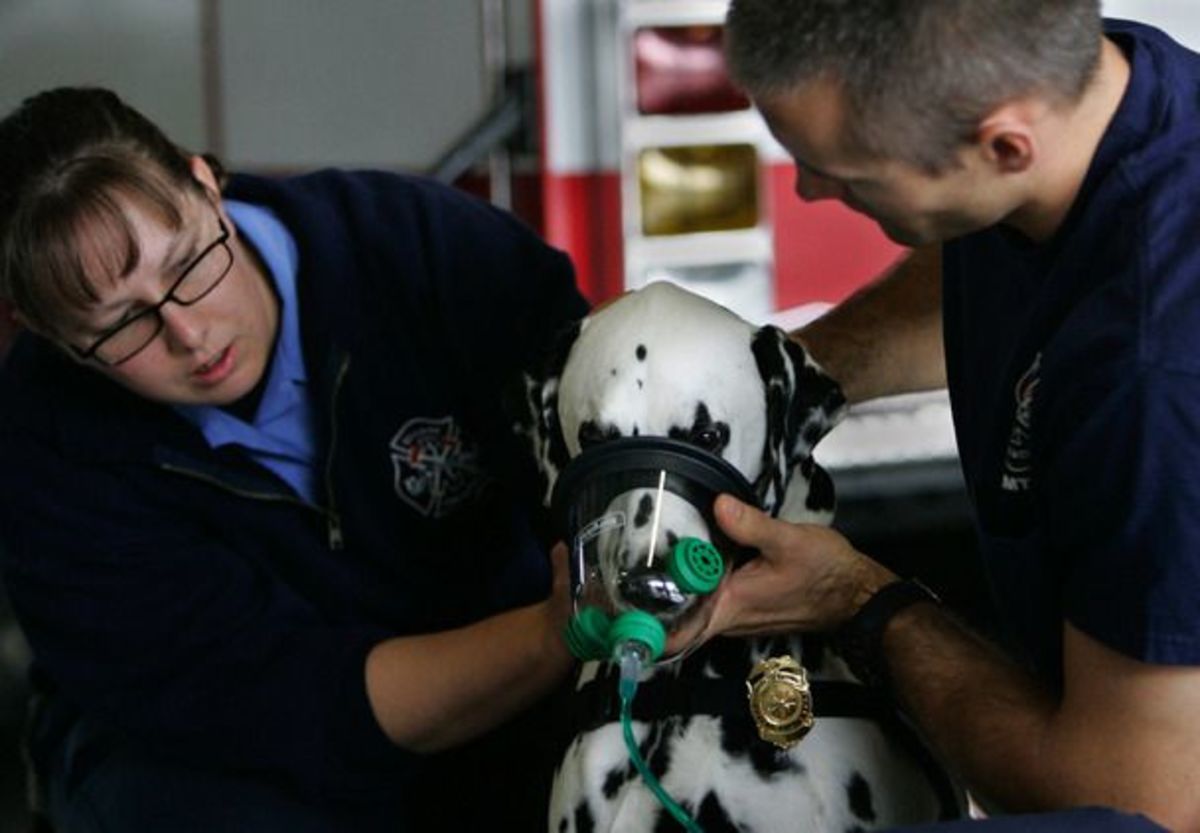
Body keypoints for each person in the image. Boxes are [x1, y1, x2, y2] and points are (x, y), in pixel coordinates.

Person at [0, 86, 587, 832]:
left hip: (517, 647)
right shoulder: (44, 457)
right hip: (225, 756)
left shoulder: (407, 242)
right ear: (48, 337)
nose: (189, 335)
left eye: (188, 264)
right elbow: (305, 708)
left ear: (206, 183)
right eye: (121, 326)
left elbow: (593, 401)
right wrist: (551, 636)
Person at [695, 2, 1200, 831]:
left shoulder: (1154, 373)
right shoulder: (1111, 96)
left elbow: (1129, 806)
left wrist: (857, 601)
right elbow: (996, 250)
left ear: (1004, 146)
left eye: (852, 175)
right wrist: (781, 378)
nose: (810, 189)